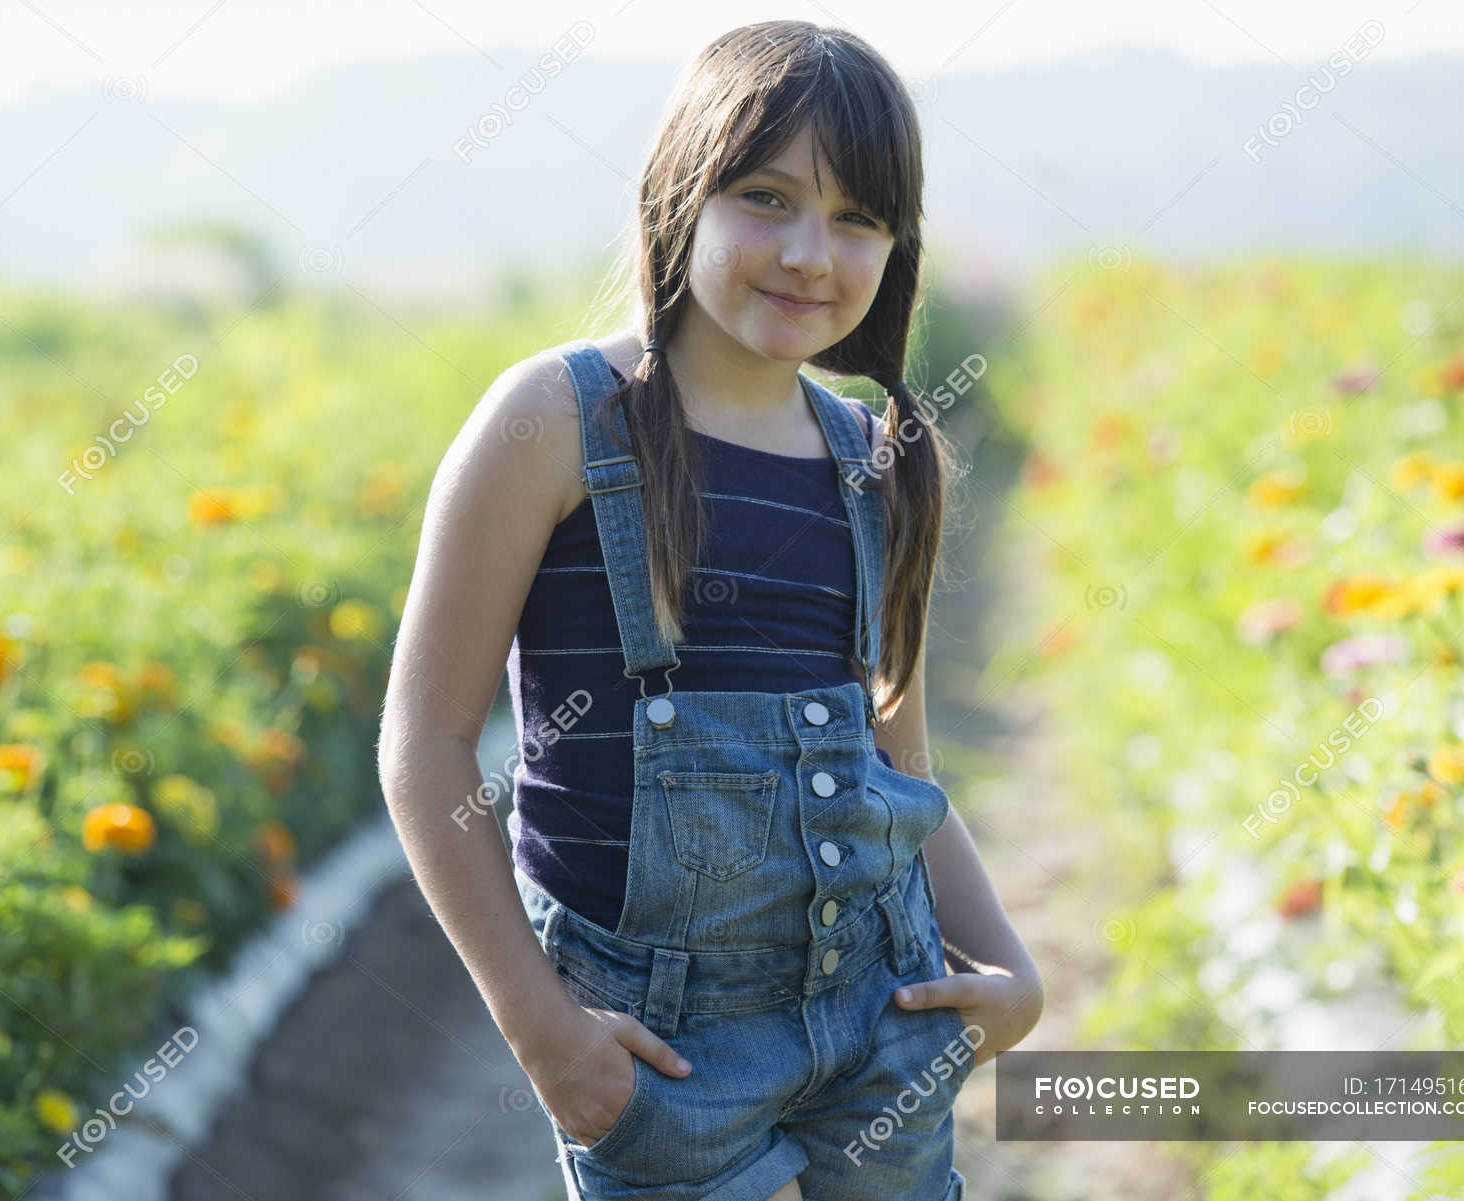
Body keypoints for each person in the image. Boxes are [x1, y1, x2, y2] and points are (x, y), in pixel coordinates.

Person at [378, 19, 1043, 1200]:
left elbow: (900, 755)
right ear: (680, 192)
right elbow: (425, 751)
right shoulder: (556, 419)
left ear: (899, 245)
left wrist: (1010, 965)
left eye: (857, 219)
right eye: (765, 196)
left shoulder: (877, 460)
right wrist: (543, 1031)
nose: (808, 252)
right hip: (663, 1050)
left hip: (877, 1013)